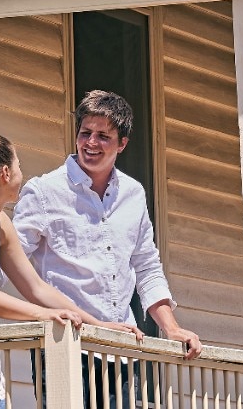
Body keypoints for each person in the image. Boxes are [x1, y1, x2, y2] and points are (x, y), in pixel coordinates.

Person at [0, 119, 144, 409]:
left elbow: (36, 287)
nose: (23, 175)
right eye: (19, 165)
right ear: (5, 173)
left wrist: (97, 323)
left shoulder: (0, 223)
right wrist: (43, 316)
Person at [12, 90, 202, 407]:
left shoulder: (133, 194)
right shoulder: (44, 191)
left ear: (122, 144)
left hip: (121, 352)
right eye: (85, 133)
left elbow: (147, 268)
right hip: (64, 347)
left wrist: (171, 328)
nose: (91, 143)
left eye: (103, 136)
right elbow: (10, 260)